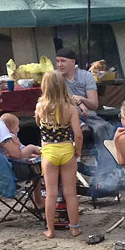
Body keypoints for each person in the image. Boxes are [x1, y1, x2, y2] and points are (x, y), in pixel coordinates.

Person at [55, 47, 125, 201]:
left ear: (73, 62)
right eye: (58, 61)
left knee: (103, 128)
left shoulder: (86, 76)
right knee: (79, 128)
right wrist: (76, 101)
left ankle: (104, 175)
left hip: (89, 116)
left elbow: (94, 104)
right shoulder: (56, 78)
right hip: (67, 117)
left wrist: (81, 100)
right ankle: (79, 168)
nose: (59, 64)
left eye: (63, 61)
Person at [35, 71, 84, 238]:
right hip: (66, 150)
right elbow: (78, 134)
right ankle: (74, 227)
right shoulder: (71, 108)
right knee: (70, 193)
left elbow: (40, 128)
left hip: (49, 152)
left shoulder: (40, 107)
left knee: (50, 194)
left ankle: (50, 229)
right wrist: (78, 149)